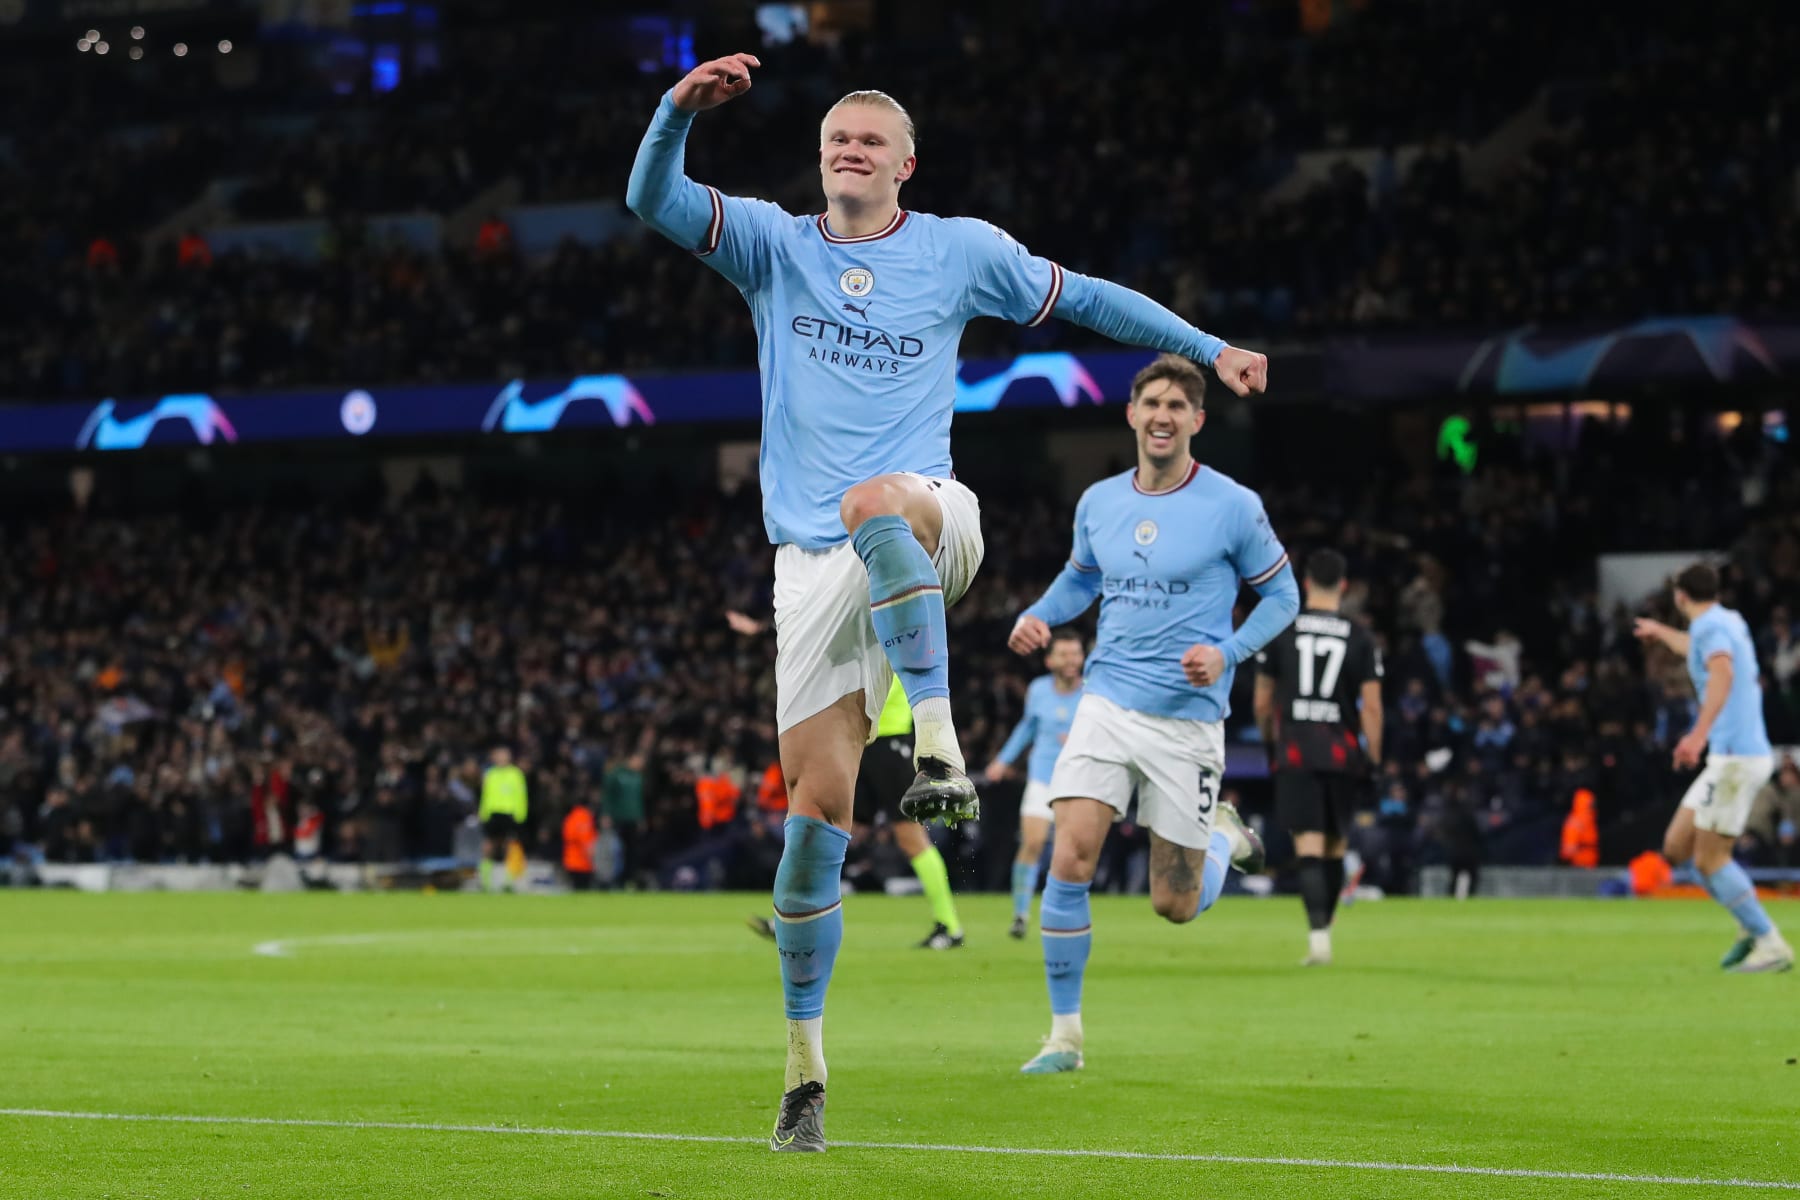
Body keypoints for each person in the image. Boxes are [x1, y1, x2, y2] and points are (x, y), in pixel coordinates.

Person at [629, 54, 1270, 1150]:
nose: (851, 149)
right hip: (810, 567)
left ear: (906, 165)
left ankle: (938, 738)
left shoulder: (959, 251)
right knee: (814, 818)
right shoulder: (774, 247)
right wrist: (674, 112)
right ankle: (803, 1076)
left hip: (931, 518)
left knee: (877, 497)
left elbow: (1091, 296)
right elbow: (653, 199)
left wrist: (1204, 346)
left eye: (872, 140)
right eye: (838, 136)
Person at [1006, 354, 1298, 1074]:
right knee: (1068, 857)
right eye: (1151, 403)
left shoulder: (1233, 505)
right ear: (1131, 414)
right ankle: (1064, 1037)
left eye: (1177, 405)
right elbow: (1080, 578)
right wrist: (1041, 616)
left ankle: (1222, 839)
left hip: (1187, 719)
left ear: (1197, 420)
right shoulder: (1100, 502)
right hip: (1106, 702)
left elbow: (1285, 597)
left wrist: (1227, 653)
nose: (1163, 415)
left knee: (1174, 904)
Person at [1635, 563, 1793, 972]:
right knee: (1676, 847)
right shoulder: (1725, 620)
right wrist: (1661, 632)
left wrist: (1697, 734)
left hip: (1734, 759)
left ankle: (1768, 942)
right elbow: (1700, 647)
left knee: (1710, 859)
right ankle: (1747, 920)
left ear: (1680, 595)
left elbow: (1721, 670)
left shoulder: (1711, 630)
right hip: (1731, 758)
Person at [749, 676, 967, 948]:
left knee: (910, 838)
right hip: (858, 741)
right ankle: (794, 916)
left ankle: (949, 925)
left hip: (890, 742)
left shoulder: (892, 637)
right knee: (827, 825)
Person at [1252, 549, 1383, 965]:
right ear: (1343, 586)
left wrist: (1272, 741)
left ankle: (1317, 937)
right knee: (1335, 846)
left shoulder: (1282, 630)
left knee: (1307, 843)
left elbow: (1261, 701)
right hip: (1342, 752)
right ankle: (1325, 929)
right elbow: (1373, 707)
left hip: (1297, 748)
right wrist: (1374, 758)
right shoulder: (1360, 636)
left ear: (1306, 583)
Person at [986, 628, 1086, 939]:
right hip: (1043, 778)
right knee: (1032, 844)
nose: (1071, 660)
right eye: (1064, 654)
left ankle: (1067, 915)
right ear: (1049, 660)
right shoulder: (1040, 690)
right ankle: (1020, 914)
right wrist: (1003, 760)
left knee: (1072, 852)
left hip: (1080, 782)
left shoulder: (1093, 693)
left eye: (1076, 654)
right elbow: (1026, 728)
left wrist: (1081, 740)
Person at [478, 746, 528, 893]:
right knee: (488, 846)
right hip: (493, 813)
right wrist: (483, 812)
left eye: (504, 756)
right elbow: (485, 795)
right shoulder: (490, 774)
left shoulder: (516, 774)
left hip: (509, 813)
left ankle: (509, 881)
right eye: (498, 756)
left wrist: (521, 814)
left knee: (510, 846)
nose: (501, 758)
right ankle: (485, 881)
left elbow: (521, 795)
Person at [562, 798, 598, 891]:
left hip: (570, 860)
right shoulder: (584, 818)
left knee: (575, 890)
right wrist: (593, 861)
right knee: (583, 890)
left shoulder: (570, 818)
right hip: (582, 863)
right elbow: (586, 842)